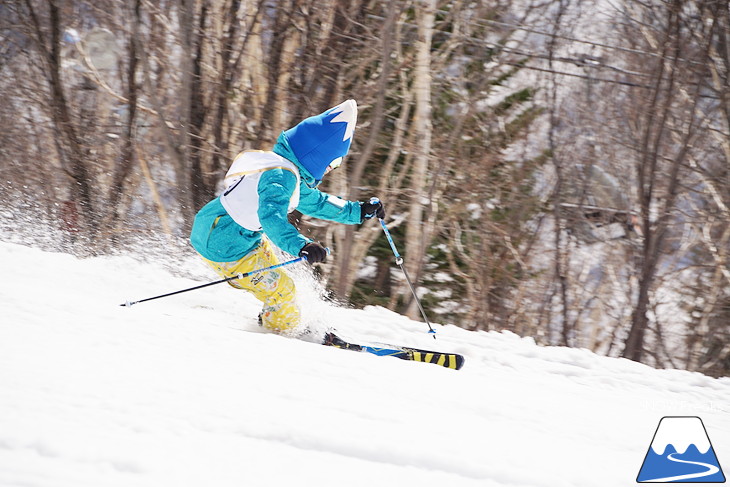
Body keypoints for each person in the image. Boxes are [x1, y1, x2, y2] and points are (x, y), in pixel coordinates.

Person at [189, 99, 385, 336]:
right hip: (224, 244)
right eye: (331, 164)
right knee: (283, 289)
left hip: (230, 231)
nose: (329, 170)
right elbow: (271, 218)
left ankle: (281, 321)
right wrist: (302, 245)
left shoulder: (285, 170)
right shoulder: (280, 176)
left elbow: (317, 202)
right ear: (316, 155)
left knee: (279, 279)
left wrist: (358, 211)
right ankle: (278, 337)